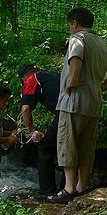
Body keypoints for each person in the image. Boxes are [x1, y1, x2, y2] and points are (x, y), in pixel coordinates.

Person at [46, 8, 107, 203]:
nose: (69, 29)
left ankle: (68, 189)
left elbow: (76, 56)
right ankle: (82, 187)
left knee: (67, 142)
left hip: (73, 102)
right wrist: (104, 85)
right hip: (93, 103)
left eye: (69, 25)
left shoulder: (77, 38)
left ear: (74, 23)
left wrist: (72, 79)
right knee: (86, 145)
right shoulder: (101, 42)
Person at [18, 62, 63, 199]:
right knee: (68, 148)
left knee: (44, 148)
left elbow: (25, 109)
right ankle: (67, 189)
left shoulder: (32, 80)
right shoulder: (53, 76)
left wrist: (31, 131)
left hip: (66, 114)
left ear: (24, 79)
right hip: (82, 111)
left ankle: (47, 191)